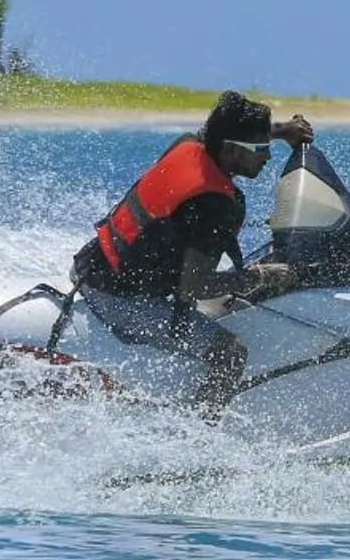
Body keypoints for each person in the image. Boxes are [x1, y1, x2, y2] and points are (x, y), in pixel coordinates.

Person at [70, 90, 314, 405]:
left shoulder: (190, 145)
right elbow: (195, 288)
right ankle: (199, 439)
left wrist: (280, 131)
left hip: (93, 263)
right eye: (260, 148)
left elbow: (220, 133)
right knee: (230, 353)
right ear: (231, 149)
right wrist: (260, 276)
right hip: (117, 296)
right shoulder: (214, 204)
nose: (267, 156)